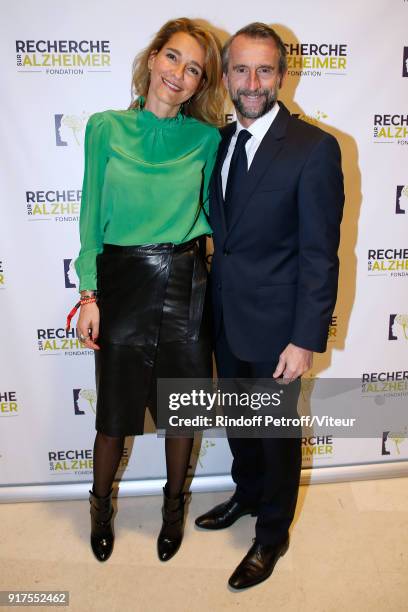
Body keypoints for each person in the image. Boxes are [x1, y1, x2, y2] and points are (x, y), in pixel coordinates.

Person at [195, 23, 344, 590]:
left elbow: (319, 255)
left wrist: (305, 339)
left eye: (264, 70)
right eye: (240, 69)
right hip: (226, 318)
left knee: (276, 433)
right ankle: (247, 495)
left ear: (282, 75)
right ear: (226, 75)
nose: (252, 82)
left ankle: (272, 533)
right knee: (238, 421)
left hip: (280, 328)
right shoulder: (221, 140)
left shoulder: (314, 149)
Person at [73, 17, 224, 563]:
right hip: (122, 283)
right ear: (152, 58)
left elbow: (217, 214)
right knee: (114, 416)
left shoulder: (207, 139)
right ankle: (99, 509)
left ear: (201, 84)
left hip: (186, 283)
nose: (178, 75)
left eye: (193, 69)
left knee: (181, 414)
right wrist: (89, 294)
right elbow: (91, 214)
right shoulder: (104, 127)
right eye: (172, 58)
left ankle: (172, 511)